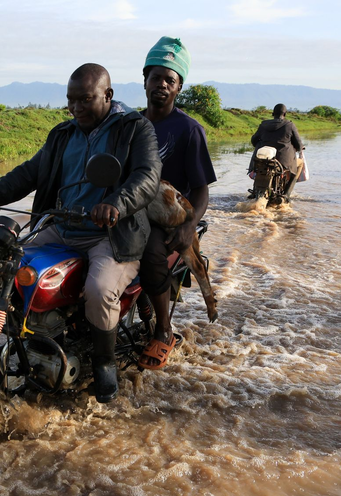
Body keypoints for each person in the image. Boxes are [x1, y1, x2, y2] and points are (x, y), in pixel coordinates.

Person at [0, 63, 161, 403]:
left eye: (85, 99)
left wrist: (115, 202)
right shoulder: (62, 134)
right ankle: (23, 342)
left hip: (110, 234)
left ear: (107, 95)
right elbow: (29, 173)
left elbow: (147, 175)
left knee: (99, 291)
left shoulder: (134, 129)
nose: (76, 108)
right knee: (5, 268)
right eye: (71, 100)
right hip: (60, 226)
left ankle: (104, 363)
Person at [137, 36, 217, 370]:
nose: (162, 85)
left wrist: (188, 226)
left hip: (166, 217)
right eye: (156, 77)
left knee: (152, 251)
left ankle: (164, 329)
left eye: (170, 80)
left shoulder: (189, 129)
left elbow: (201, 191)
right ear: (145, 81)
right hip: (131, 209)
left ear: (178, 88)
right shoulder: (131, 125)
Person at [250, 103, 303, 179]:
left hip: (262, 160)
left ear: (273, 113)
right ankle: (288, 190)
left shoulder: (263, 124)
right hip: (283, 162)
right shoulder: (290, 125)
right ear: (284, 114)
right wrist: (300, 147)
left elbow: (254, 141)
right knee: (300, 163)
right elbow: (298, 145)